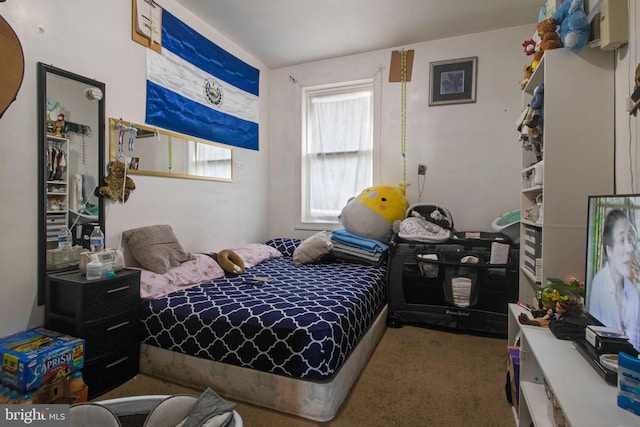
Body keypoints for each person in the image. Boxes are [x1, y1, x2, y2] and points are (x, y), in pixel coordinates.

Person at [589, 209, 640, 351]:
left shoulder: (633, 294)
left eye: (629, 240)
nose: (629, 248)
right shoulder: (599, 284)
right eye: (622, 240)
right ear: (609, 250)